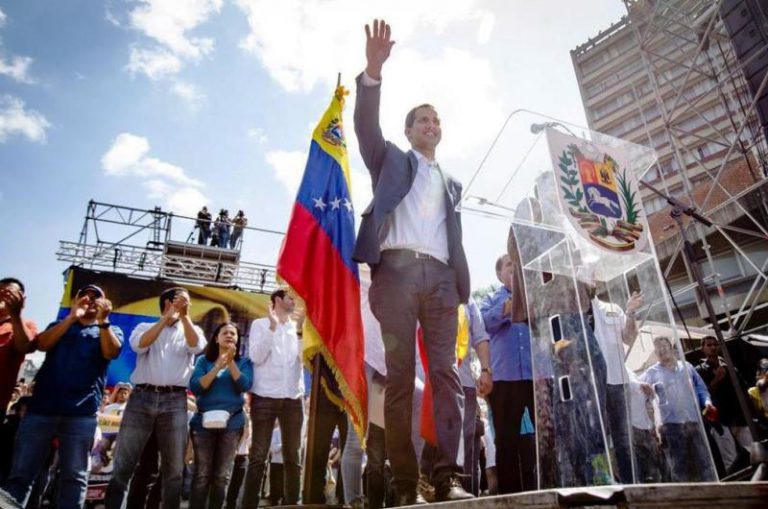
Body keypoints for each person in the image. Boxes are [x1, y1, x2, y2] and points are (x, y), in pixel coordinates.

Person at [352, 18, 472, 504]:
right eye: (423, 119)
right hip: (397, 275)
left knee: (446, 376)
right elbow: (365, 128)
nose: (431, 125)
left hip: (441, 279)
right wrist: (373, 73)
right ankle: (405, 485)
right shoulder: (391, 160)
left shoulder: (452, 182)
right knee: (400, 378)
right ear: (408, 130)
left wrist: (457, 281)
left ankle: (447, 477)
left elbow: (454, 235)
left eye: (436, 120)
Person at [2, 284, 122, 509]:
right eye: (84, 295)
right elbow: (42, 344)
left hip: (81, 414)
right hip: (41, 409)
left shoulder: (109, 329)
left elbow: (111, 352)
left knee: (74, 477)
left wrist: (103, 321)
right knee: (21, 474)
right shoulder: (58, 325)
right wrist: (71, 318)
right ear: (75, 300)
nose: (90, 299)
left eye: (96, 297)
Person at [105, 287, 205, 509]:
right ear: (167, 303)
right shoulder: (144, 327)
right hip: (142, 397)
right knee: (124, 464)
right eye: (181, 301)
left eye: (187, 302)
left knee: (174, 469)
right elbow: (139, 345)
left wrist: (185, 317)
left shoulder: (192, 329)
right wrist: (165, 319)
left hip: (175, 400)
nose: (186, 305)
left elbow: (197, 346)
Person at [241, 289, 304, 508]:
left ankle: (291, 504)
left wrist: (301, 332)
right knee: (258, 456)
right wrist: (272, 326)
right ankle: (248, 504)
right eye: (290, 298)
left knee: (293, 456)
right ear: (277, 300)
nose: (294, 301)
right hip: (264, 397)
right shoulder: (260, 324)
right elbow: (256, 357)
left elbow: (305, 360)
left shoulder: (297, 328)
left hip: (293, 398)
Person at [480, 254, 537, 494]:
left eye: (517, 266)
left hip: (536, 377)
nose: (514, 270)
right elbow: (483, 323)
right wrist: (506, 307)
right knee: (505, 440)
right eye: (509, 266)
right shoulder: (490, 299)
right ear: (499, 274)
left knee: (544, 436)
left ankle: (546, 484)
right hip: (505, 379)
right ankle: (511, 495)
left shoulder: (534, 295)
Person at [584, 276, 643, 483]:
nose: (587, 283)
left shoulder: (613, 308)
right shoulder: (575, 315)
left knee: (623, 438)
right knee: (595, 438)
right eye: (582, 279)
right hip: (591, 385)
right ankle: (602, 483)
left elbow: (629, 338)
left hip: (617, 381)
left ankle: (630, 483)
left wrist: (631, 312)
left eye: (590, 279)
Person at [188, 322, 253, 509]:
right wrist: (218, 366)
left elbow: (245, 385)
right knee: (201, 475)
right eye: (225, 333)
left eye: (233, 333)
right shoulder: (203, 361)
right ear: (216, 338)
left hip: (232, 424)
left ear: (238, 340)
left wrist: (230, 362)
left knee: (222, 476)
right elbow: (196, 387)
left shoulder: (244, 362)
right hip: (202, 424)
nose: (230, 335)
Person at [640, 336, 717, 482]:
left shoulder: (687, 367)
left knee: (704, 463)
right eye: (658, 347)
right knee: (679, 468)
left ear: (671, 348)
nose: (662, 349)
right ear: (655, 352)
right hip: (671, 427)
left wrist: (707, 402)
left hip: (694, 422)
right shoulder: (651, 373)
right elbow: (639, 394)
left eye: (664, 345)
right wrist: (652, 425)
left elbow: (701, 389)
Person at [695, 335, 752, 471]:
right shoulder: (700, 370)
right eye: (709, 345)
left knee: (752, 453)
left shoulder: (729, 365)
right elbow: (702, 394)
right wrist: (717, 379)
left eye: (715, 345)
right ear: (702, 348)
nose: (713, 347)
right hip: (720, 421)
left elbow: (744, 389)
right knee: (730, 460)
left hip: (738, 417)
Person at [457, 298, 492, 495]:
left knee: (467, 449)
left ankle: (467, 499)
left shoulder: (468, 301)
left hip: (464, 384)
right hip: (428, 383)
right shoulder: (421, 286)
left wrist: (486, 370)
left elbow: (479, 336)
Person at [0, 277, 37, 423]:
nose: (3, 296)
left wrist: (16, 315)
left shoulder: (26, 325)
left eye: (9, 293)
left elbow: (25, 346)